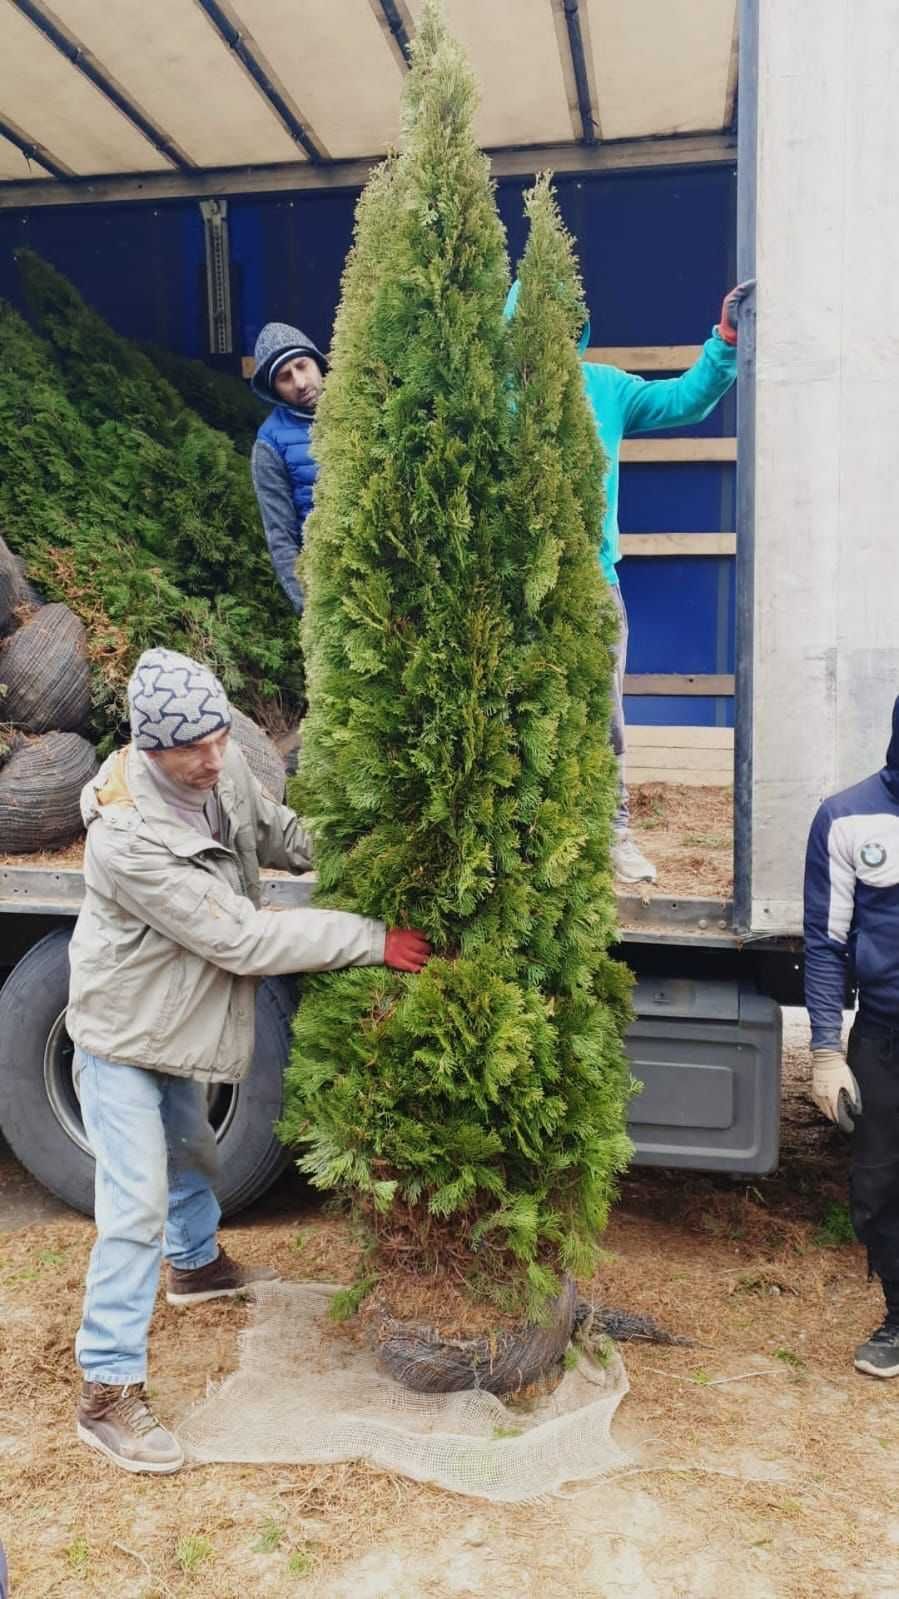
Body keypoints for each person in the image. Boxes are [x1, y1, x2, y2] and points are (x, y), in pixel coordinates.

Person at [69, 647, 432, 1472]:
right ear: (147, 746)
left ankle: (194, 1266)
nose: (212, 756)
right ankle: (107, 1388)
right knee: (133, 1206)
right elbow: (240, 937)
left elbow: (279, 832)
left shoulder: (219, 773)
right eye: (190, 746)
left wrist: (369, 855)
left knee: (193, 1147)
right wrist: (372, 939)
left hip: (178, 1020)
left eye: (218, 736)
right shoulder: (126, 839)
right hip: (121, 1030)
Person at [505, 277, 751, 883]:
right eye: (539, 316)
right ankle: (521, 845)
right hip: (511, 591)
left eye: (567, 321)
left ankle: (611, 835)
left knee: (602, 716)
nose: (554, 332)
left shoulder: (605, 387)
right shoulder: (491, 395)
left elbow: (685, 402)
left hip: (592, 585)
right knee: (515, 718)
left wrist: (724, 339)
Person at [804, 695, 899, 1378]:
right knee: (878, 1184)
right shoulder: (845, 816)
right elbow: (825, 942)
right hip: (884, 1038)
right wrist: (826, 1053)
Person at [250, 320, 327, 613]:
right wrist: (308, 608)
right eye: (284, 377)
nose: (300, 383)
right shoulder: (269, 445)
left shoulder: (365, 406)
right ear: (274, 389)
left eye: (302, 365)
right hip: (326, 580)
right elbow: (280, 536)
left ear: (317, 362)